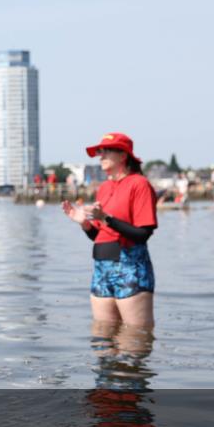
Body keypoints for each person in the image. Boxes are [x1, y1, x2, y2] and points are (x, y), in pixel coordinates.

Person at [61, 132, 157, 328]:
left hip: (130, 266)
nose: (101, 156)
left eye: (106, 151)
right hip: (101, 267)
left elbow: (143, 234)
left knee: (135, 341)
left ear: (123, 156)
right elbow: (100, 235)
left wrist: (105, 218)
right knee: (103, 342)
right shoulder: (104, 187)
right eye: (100, 152)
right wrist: (85, 223)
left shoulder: (139, 184)